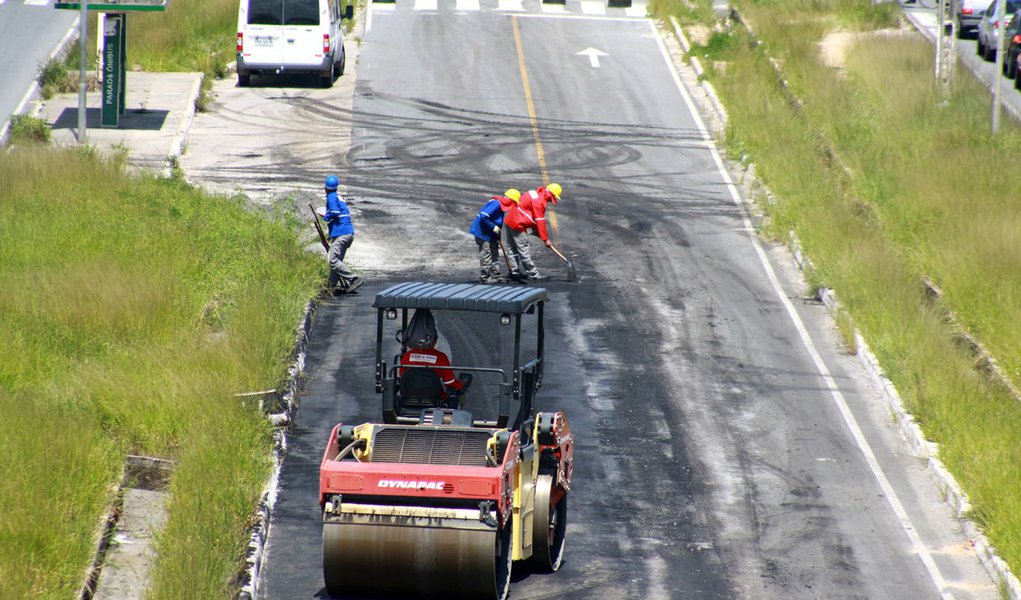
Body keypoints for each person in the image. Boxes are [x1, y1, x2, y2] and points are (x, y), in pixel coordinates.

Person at [398, 309, 464, 402]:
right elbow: (449, 382)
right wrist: (461, 385)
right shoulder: (441, 358)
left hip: (408, 399)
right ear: (434, 340)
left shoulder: (407, 356)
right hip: (435, 399)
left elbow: (402, 377)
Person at [500, 182, 562, 280]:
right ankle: (533, 274)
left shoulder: (534, 193)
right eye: (552, 198)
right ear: (551, 195)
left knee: (511, 248)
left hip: (510, 220)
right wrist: (545, 239)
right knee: (523, 249)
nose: (551, 201)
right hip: (518, 224)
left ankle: (514, 271)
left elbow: (529, 212)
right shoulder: (539, 201)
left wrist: (535, 230)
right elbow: (539, 220)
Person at [321, 175, 363, 294]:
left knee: (333, 260)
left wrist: (326, 217)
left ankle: (353, 278)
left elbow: (334, 212)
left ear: (326, 188)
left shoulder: (331, 197)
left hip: (342, 234)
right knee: (336, 261)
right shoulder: (339, 198)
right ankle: (330, 286)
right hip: (347, 234)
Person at [469, 189, 520, 284]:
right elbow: (483, 215)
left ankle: (496, 275)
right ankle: (485, 277)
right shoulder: (496, 204)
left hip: (491, 234)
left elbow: (498, 223)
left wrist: (498, 239)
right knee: (486, 254)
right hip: (482, 233)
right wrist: (493, 226)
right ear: (510, 200)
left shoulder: (502, 206)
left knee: (495, 254)